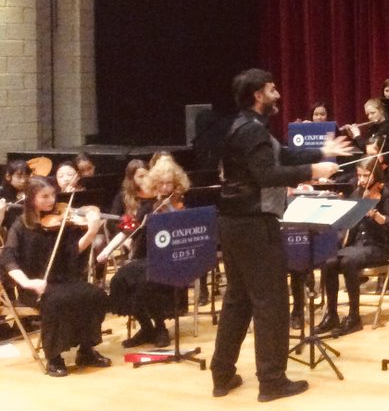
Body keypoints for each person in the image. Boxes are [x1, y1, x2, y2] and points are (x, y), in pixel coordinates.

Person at [211, 68, 351, 402]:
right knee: (271, 301)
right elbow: (267, 174)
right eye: (273, 89)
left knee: (239, 298)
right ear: (258, 95)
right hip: (254, 223)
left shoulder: (247, 127)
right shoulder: (253, 131)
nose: (278, 95)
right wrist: (313, 171)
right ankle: (272, 381)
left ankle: (222, 373)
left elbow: (282, 155)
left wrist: (321, 152)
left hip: (233, 223)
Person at [0, 176, 109, 377]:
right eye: (45, 196)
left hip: (64, 279)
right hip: (34, 286)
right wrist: (28, 282)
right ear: (31, 199)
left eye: (53, 195)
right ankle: (54, 356)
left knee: (95, 295)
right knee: (57, 301)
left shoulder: (60, 221)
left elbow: (72, 252)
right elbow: (8, 258)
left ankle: (86, 350)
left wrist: (92, 231)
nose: (51, 200)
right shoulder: (20, 226)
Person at [100, 158, 191, 348]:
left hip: (172, 261)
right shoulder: (148, 209)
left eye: (169, 184)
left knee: (146, 281)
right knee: (120, 279)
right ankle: (146, 327)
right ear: (154, 185)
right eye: (161, 184)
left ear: (177, 185)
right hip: (145, 258)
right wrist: (107, 251)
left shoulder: (182, 209)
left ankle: (160, 328)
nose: (165, 188)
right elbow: (127, 230)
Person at [313, 159, 389, 337]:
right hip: (356, 245)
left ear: (376, 175)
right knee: (329, 261)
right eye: (359, 175)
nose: (362, 180)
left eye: (366, 175)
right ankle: (332, 314)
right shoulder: (357, 193)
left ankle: (354, 316)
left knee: (347, 261)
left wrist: (378, 217)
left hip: (377, 246)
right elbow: (346, 224)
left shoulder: (385, 193)